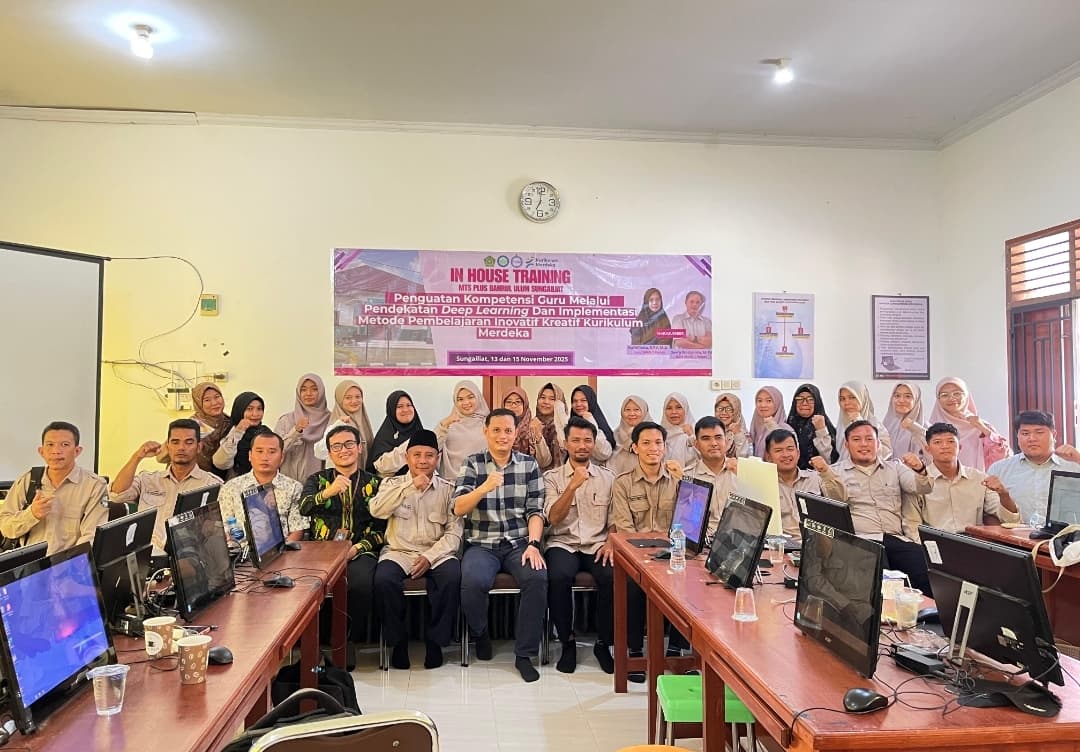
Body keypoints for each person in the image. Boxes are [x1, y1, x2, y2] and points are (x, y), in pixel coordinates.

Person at [454, 408, 547, 682]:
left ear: (516, 433)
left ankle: (524, 655)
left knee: (537, 578)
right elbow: (458, 508)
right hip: (481, 543)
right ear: (486, 432)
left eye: (508, 430)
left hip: (519, 543)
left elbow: (535, 511)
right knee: (472, 582)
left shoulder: (529, 465)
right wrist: (484, 487)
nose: (502, 436)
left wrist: (533, 544)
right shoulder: (473, 463)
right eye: (496, 430)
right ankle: (480, 633)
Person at [370, 430, 463, 670]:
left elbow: (454, 534)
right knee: (383, 580)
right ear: (407, 457)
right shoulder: (391, 484)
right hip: (398, 551)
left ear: (437, 458)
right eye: (417, 455)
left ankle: (436, 643)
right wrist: (410, 486)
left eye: (429, 455)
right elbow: (377, 510)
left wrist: (429, 557)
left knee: (452, 576)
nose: (423, 460)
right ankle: (398, 643)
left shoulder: (449, 489)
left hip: (436, 552)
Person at [544, 416, 617, 674]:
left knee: (612, 577)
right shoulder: (551, 478)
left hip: (597, 543)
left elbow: (615, 519)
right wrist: (572, 486)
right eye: (575, 440)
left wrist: (610, 542)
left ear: (594, 444)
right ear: (565, 444)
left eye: (587, 440)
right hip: (562, 541)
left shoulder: (608, 477)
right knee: (558, 576)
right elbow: (553, 518)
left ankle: (603, 643)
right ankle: (567, 641)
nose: (582, 445)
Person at [300, 425, 385, 642]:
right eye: (336, 446)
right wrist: (328, 492)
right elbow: (304, 507)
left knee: (359, 585)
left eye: (349, 444)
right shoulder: (317, 480)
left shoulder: (375, 483)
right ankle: (316, 644)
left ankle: (348, 642)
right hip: (322, 552)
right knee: (308, 586)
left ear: (359, 448)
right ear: (329, 453)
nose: (343, 450)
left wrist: (356, 548)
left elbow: (382, 529)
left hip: (360, 551)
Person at [829, 420, 932, 594]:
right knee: (881, 579)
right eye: (857, 439)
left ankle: (926, 610)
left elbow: (922, 487)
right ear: (846, 445)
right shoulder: (834, 473)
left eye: (869, 439)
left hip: (894, 538)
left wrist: (920, 469)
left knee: (924, 566)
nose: (864, 444)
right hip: (860, 539)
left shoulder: (896, 468)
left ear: (878, 443)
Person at [611, 421, 679, 679]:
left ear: (665, 447)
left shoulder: (677, 480)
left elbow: (687, 522)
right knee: (633, 585)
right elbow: (625, 529)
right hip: (636, 554)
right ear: (635, 447)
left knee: (687, 583)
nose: (653, 448)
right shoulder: (623, 483)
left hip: (671, 553)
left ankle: (676, 651)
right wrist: (647, 557)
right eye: (646, 443)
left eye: (658, 443)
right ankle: (635, 650)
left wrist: (683, 480)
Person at [110, 418, 222, 551]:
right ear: (168, 447)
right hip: (147, 554)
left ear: (199, 447)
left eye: (188, 442)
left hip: (189, 556)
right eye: (175, 442)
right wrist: (137, 457)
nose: (181, 448)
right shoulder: (148, 480)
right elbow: (116, 495)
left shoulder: (213, 485)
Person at [1, 422, 108, 554]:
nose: (56, 451)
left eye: (65, 445)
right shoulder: (28, 480)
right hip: (30, 563)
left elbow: (91, 537)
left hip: (70, 563)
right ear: (41, 451)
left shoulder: (94, 485)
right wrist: (31, 514)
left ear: (77, 451)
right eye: (50, 445)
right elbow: (5, 528)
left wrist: (68, 565)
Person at [903, 423, 1019, 537]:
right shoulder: (919, 482)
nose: (945, 446)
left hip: (973, 543)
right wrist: (925, 548)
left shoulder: (979, 478)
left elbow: (1010, 521)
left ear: (960, 447)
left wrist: (1004, 494)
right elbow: (912, 525)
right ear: (928, 449)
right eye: (937, 442)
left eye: (951, 441)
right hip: (934, 543)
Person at [985, 410, 1080, 523]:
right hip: (1015, 533)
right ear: (1017, 436)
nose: (1032, 439)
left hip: (1066, 534)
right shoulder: (999, 470)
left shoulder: (1074, 466)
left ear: (1053, 435)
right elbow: (989, 513)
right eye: (1025, 433)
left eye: (1039, 432)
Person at [217, 428, 305, 542]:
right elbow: (225, 527)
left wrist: (284, 550)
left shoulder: (294, 488)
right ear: (250, 455)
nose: (265, 457)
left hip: (283, 549)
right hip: (241, 550)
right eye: (259, 451)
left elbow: (297, 530)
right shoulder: (231, 487)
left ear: (282, 457)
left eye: (272, 452)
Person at [763, 429, 844, 544]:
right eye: (778, 450)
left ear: (798, 453)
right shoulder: (764, 484)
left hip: (816, 545)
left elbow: (840, 498)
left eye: (790, 449)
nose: (786, 454)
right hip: (780, 546)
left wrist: (826, 471)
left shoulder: (815, 478)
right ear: (768, 457)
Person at [928, 377, 1010, 472]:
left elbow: (1003, 458)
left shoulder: (980, 426)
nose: (951, 398)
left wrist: (984, 429)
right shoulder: (930, 428)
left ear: (966, 396)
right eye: (944, 395)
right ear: (938, 399)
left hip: (976, 479)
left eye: (957, 393)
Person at [674, 417, 739, 536]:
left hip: (738, 539)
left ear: (726, 441)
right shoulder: (687, 476)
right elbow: (684, 521)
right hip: (702, 540)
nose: (713, 443)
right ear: (696, 444)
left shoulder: (741, 472)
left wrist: (742, 474)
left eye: (718, 437)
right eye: (706, 438)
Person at [157, 382, 232, 479]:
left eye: (217, 397)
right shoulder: (193, 425)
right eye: (207, 400)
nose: (214, 403)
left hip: (219, 479)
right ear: (198, 403)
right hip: (187, 478)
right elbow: (161, 457)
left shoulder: (230, 422)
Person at [276, 374, 333, 483]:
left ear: (321, 392)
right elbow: (275, 451)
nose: (308, 393)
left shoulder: (331, 420)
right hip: (289, 483)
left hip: (320, 484)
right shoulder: (286, 420)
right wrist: (296, 431)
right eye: (303, 389)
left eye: (314, 389)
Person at [435, 380, 490, 482]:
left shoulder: (488, 424)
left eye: (470, 397)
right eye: (460, 399)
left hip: (482, 483)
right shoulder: (448, 425)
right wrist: (444, 425)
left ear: (478, 397)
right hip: (452, 484)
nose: (466, 403)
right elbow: (431, 448)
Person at [315, 380, 376, 469]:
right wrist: (337, 425)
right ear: (340, 400)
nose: (354, 401)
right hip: (340, 475)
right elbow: (320, 452)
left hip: (362, 475)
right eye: (348, 398)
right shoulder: (336, 423)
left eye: (358, 397)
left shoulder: (364, 422)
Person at [370, 390, 424, 477]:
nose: (405, 410)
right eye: (399, 406)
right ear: (392, 410)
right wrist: (410, 444)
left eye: (409, 405)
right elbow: (381, 467)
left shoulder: (420, 432)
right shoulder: (385, 435)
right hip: (393, 484)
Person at [836, 381, 893, 462]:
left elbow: (886, 452)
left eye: (852, 397)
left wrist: (859, 423)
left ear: (862, 398)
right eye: (842, 399)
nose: (847, 402)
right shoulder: (841, 424)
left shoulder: (874, 423)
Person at [212, 391, 265, 478]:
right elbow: (220, 463)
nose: (255, 414)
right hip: (237, 482)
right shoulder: (228, 431)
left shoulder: (265, 431)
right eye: (249, 409)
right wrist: (238, 432)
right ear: (240, 410)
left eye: (259, 409)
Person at [785, 384, 838, 470]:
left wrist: (821, 431)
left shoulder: (825, 427)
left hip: (819, 475)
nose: (804, 403)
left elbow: (830, 460)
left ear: (817, 402)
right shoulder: (788, 426)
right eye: (800, 399)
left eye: (810, 399)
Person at [501, 386, 552, 470]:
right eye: (509, 402)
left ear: (525, 405)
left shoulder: (534, 426)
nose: (513, 405)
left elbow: (545, 462)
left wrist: (538, 436)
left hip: (529, 474)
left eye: (518, 402)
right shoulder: (498, 428)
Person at [568, 385, 615, 464]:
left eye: (583, 400)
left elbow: (604, 454)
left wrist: (591, 423)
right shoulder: (571, 424)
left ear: (591, 401)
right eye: (575, 401)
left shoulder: (599, 423)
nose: (578, 404)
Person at [610, 395, 654, 476]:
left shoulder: (654, 434)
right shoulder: (614, 435)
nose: (632, 413)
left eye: (636, 410)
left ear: (644, 411)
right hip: (616, 480)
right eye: (627, 410)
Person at [883, 382, 927, 458]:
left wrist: (915, 427)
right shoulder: (887, 424)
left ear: (916, 399)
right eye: (897, 396)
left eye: (908, 396)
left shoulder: (925, 427)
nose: (901, 400)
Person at [749, 386, 793, 459]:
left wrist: (774, 429)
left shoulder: (786, 430)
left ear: (777, 403)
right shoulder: (755, 426)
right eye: (759, 401)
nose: (763, 405)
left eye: (769, 401)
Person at [533, 382, 567, 472]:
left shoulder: (564, 427)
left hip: (562, 477)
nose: (546, 402)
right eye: (542, 397)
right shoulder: (533, 425)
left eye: (552, 399)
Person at [660, 392, 697, 467]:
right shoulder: (659, 434)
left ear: (686, 409)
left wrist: (692, 436)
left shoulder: (697, 431)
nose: (674, 412)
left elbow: (705, 457)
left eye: (679, 407)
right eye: (669, 408)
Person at [714, 393, 752, 458]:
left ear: (737, 412)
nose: (723, 413)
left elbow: (745, 458)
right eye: (720, 408)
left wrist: (738, 435)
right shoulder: (710, 430)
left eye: (729, 409)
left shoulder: (744, 434)